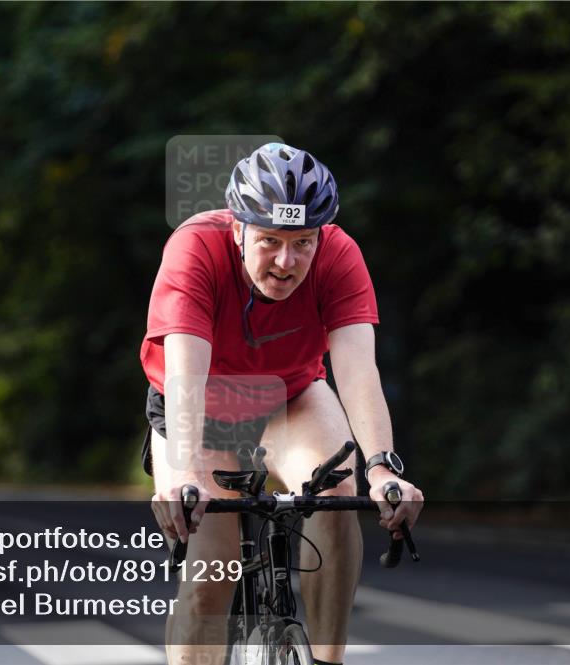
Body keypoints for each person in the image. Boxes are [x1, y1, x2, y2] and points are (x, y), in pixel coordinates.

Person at [141, 143, 424, 665]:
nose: (285, 262)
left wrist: (383, 468)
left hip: (289, 396)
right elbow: (185, 373)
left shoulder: (339, 255)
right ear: (238, 229)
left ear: (320, 235)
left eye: (302, 242)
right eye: (269, 240)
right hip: (202, 408)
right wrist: (184, 473)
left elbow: (358, 370)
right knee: (210, 576)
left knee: (337, 492)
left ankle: (327, 660)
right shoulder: (195, 247)